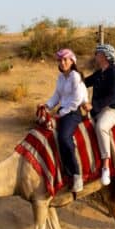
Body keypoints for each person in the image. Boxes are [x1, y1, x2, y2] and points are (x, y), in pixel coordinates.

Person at [40, 48, 88, 193]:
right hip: (63, 111)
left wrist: (62, 114)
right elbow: (57, 96)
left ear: (72, 61)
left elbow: (77, 100)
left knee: (63, 137)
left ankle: (76, 174)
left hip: (73, 112)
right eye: (60, 60)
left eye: (65, 60)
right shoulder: (61, 78)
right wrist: (47, 106)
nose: (62, 63)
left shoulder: (75, 76)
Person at [82, 43, 115, 186]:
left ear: (105, 56)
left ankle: (106, 165)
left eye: (97, 53)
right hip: (97, 110)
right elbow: (85, 83)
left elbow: (113, 96)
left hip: (111, 110)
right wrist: (73, 76)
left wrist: (94, 105)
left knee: (101, 127)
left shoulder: (114, 74)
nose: (95, 56)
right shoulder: (100, 72)